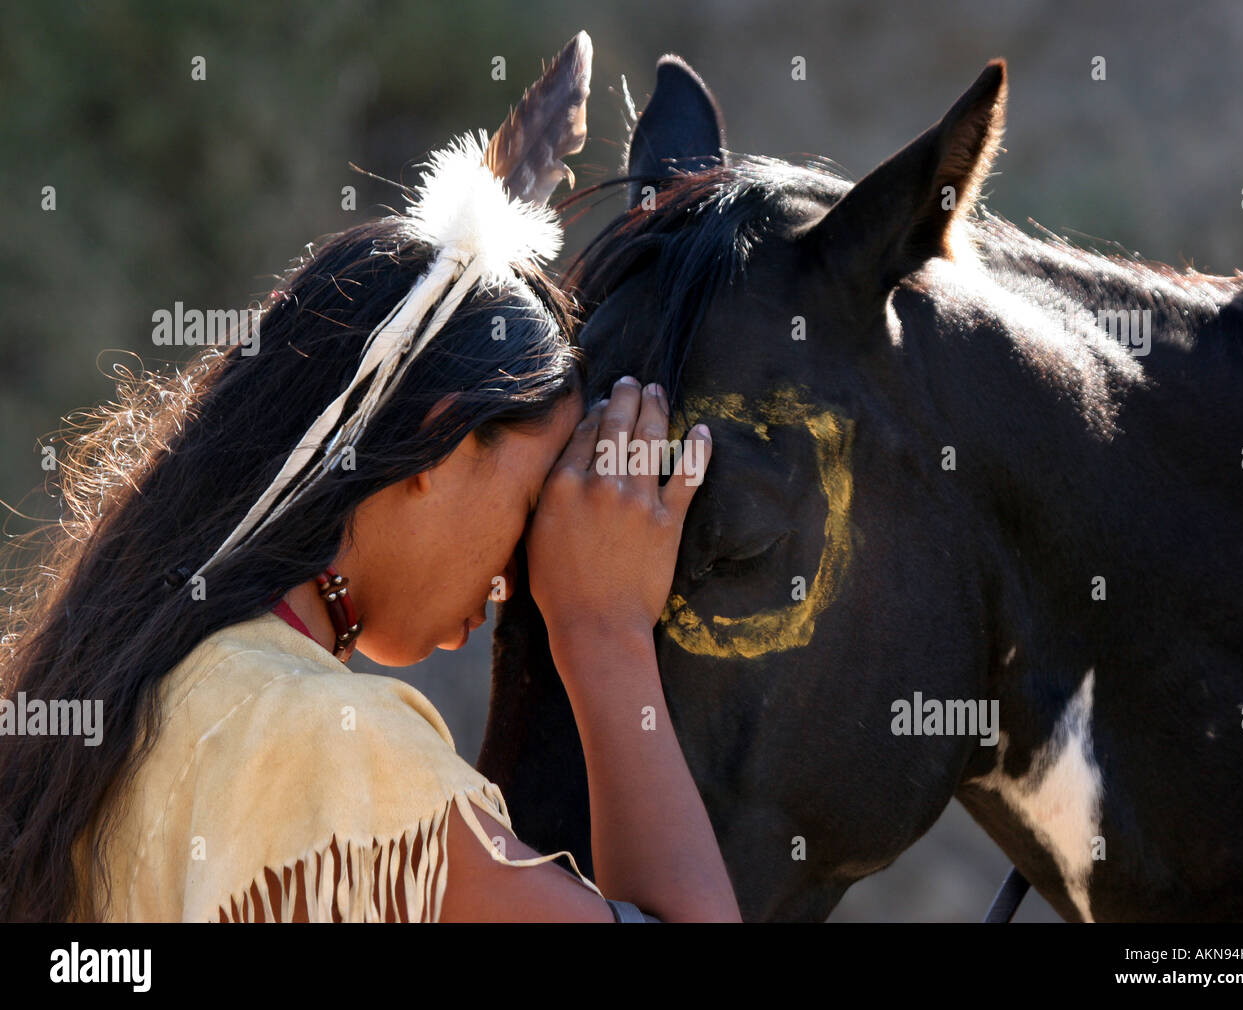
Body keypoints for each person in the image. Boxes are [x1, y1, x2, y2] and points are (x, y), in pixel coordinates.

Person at [0, 33, 741, 923]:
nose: (519, 579)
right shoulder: (326, 749)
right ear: (438, 443)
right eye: (531, 500)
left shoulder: (123, 704)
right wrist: (605, 631)